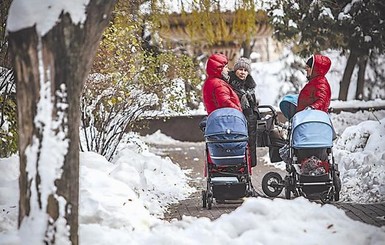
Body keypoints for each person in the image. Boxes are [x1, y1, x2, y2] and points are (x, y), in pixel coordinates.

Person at [228, 57, 260, 167]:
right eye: (240, 69)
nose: (243, 72)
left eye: (245, 70)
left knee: (249, 148)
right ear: (235, 70)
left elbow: (254, 104)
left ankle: (248, 166)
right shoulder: (230, 84)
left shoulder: (250, 87)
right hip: (236, 119)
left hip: (250, 120)